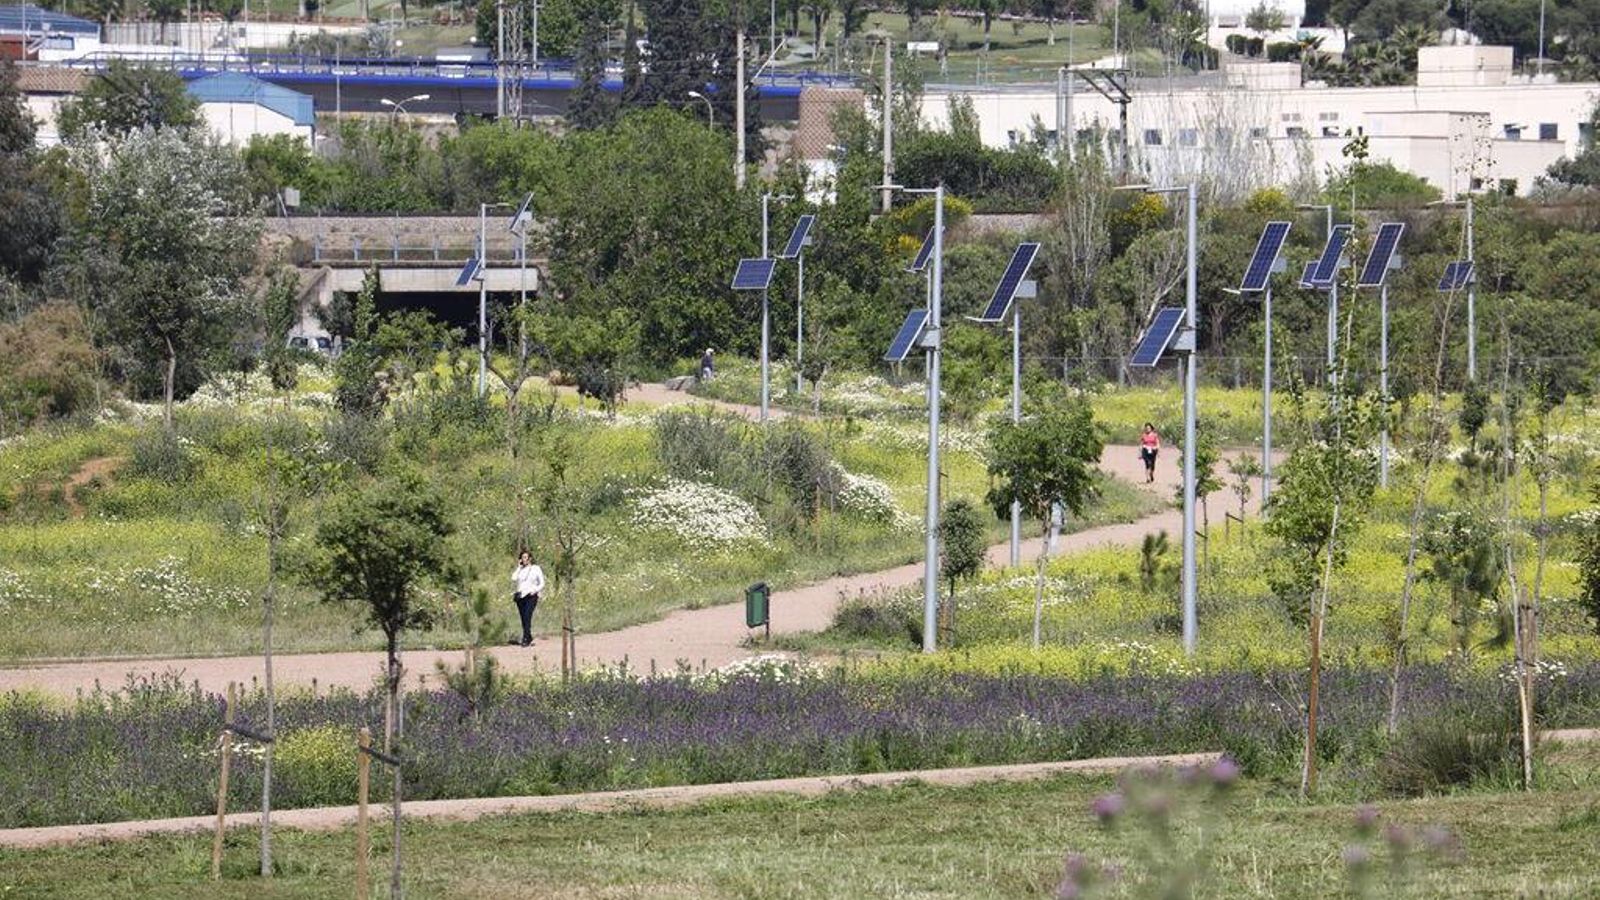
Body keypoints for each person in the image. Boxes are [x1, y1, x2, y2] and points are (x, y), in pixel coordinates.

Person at [510, 550, 545, 648]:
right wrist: (519, 567)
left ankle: (525, 638)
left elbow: (542, 583)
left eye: (526, 557)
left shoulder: (536, 568)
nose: (524, 559)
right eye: (522, 557)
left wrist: (536, 590)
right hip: (520, 596)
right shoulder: (520, 570)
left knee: (527, 615)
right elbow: (513, 578)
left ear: (530, 558)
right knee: (523, 618)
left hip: (531, 595)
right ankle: (528, 636)